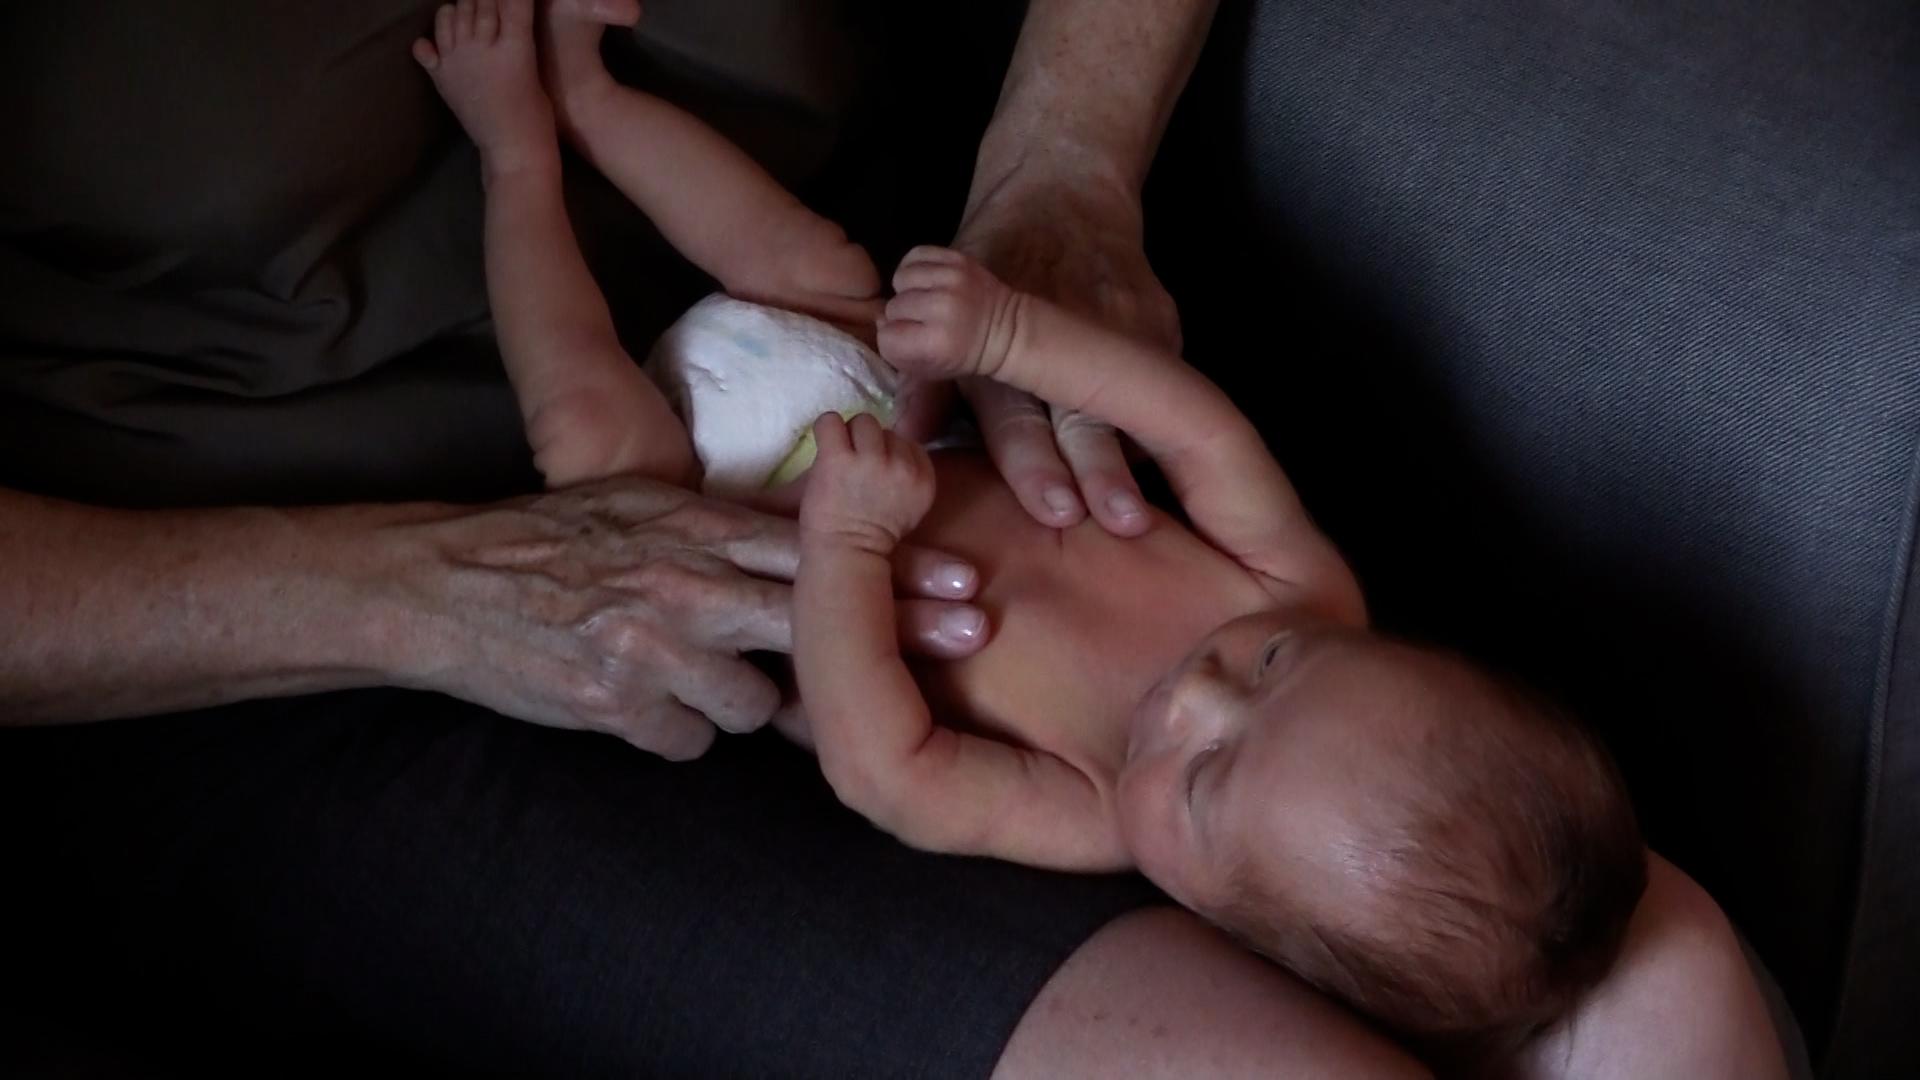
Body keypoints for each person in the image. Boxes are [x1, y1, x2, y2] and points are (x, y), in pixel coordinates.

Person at [0, 0, 1796, 1075]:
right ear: (1368, 637)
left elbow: (885, 766)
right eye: (1269, 669)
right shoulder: (1298, 585)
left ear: (1217, 907)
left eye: (1207, 777)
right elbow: (1202, 433)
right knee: (802, 279)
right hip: (833, 396)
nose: (1192, 695)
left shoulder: (1077, 809)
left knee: (601, 439)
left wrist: (854, 547)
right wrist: (1020, 337)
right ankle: (569, 119)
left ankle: (534, 153)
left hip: (743, 498)